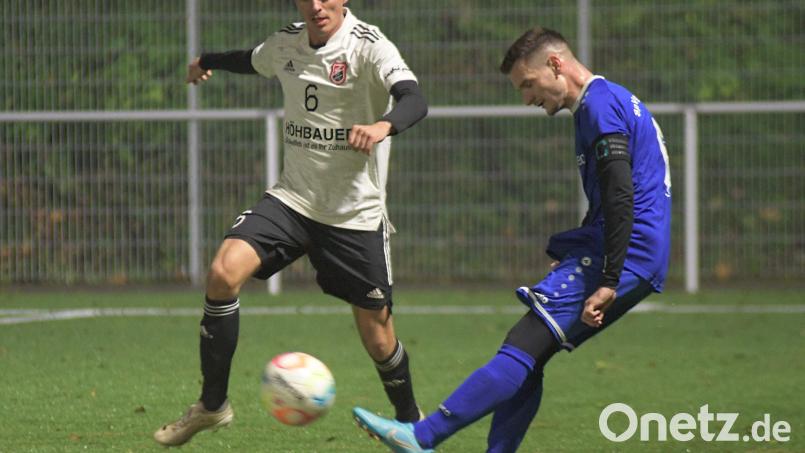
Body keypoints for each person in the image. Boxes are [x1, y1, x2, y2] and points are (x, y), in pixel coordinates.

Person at [353, 26, 671, 453]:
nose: (527, 98)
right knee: (529, 353)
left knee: (525, 344)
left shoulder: (599, 107)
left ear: (556, 64)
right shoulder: (606, 101)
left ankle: (421, 436)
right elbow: (612, 196)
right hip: (629, 248)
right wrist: (579, 250)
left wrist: (609, 277)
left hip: (630, 252)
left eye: (528, 84)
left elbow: (620, 196)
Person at [154, 0, 428, 447]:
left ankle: (412, 424)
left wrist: (384, 126)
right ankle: (212, 405)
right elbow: (251, 60)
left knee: (379, 339)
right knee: (223, 272)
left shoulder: (369, 46)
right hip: (293, 200)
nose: (317, 6)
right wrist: (207, 62)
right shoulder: (288, 41)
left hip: (353, 216)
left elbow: (414, 98)